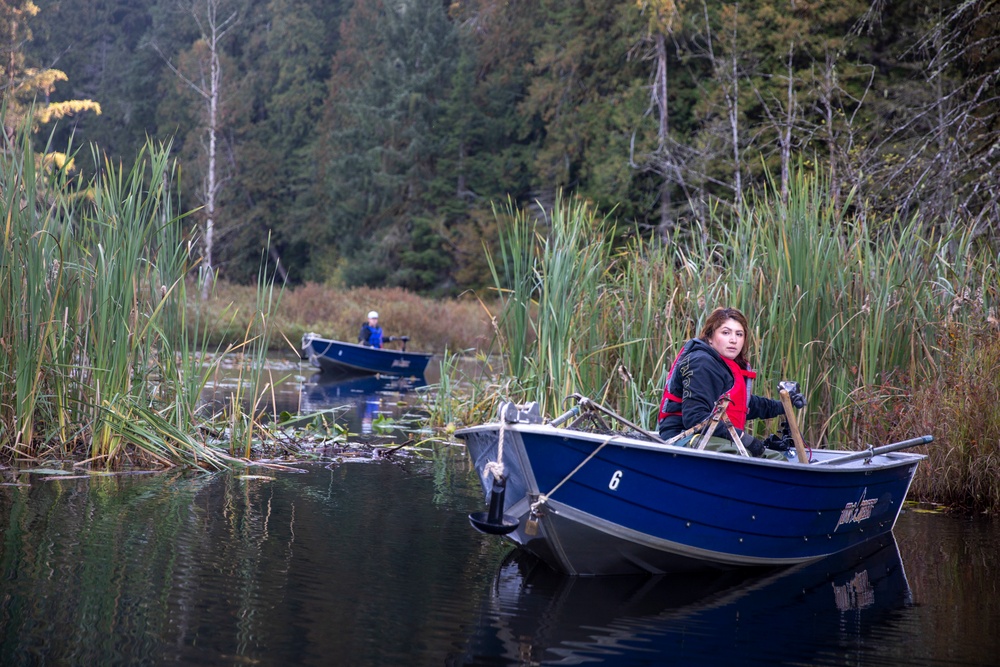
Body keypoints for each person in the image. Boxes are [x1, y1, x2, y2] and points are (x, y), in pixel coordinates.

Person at [657, 306, 803, 459]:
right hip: (681, 438)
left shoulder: (721, 364)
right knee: (776, 459)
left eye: (739, 334)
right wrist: (745, 439)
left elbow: (741, 405)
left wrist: (783, 406)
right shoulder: (701, 363)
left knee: (774, 455)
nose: (733, 340)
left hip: (704, 436)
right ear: (710, 338)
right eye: (726, 333)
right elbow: (695, 418)